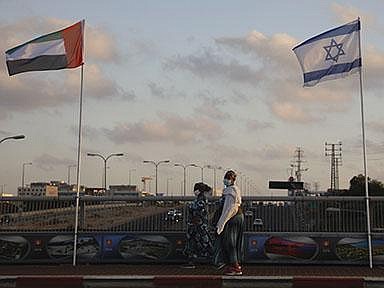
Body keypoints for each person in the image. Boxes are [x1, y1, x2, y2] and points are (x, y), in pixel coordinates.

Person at [214, 170, 244, 276]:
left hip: (233, 218)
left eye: (227, 178)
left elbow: (229, 209)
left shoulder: (230, 192)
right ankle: (234, 265)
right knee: (235, 242)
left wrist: (221, 223)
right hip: (238, 217)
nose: (226, 180)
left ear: (232, 179)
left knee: (230, 242)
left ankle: (235, 267)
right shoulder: (235, 190)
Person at [182, 182, 214, 268]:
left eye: (195, 189)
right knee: (198, 242)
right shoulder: (201, 199)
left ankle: (213, 259)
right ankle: (192, 260)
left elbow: (197, 211)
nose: (194, 191)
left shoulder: (201, 200)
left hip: (198, 225)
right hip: (198, 225)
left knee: (201, 242)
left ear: (199, 190)